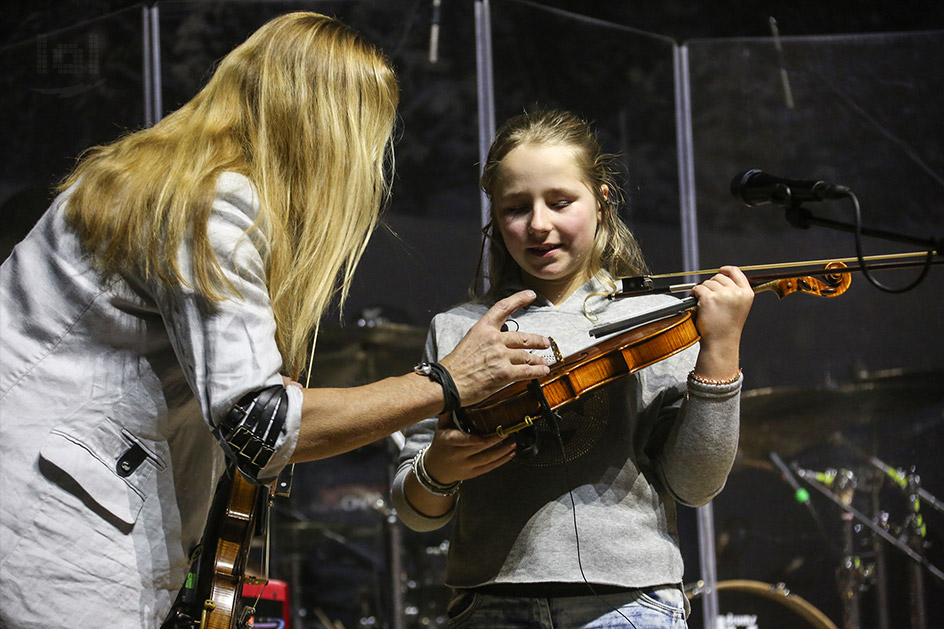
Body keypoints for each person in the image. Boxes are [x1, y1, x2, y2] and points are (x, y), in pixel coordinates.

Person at [0, 13, 551, 628]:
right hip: (46, 524)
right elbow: (258, 425)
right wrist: (443, 382)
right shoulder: (211, 199)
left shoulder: (154, 177)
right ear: (330, 127)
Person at [391, 109, 754, 628]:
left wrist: (721, 350)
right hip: (490, 605)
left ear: (602, 203)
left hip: (630, 603)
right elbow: (416, 510)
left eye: (560, 202)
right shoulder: (457, 331)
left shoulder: (654, 322)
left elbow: (694, 485)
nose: (539, 224)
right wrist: (439, 469)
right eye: (516, 207)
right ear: (494, 218)